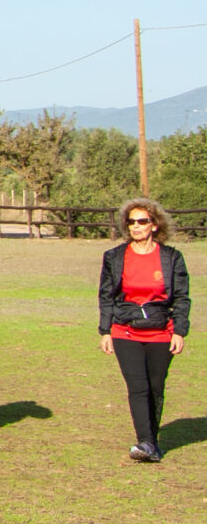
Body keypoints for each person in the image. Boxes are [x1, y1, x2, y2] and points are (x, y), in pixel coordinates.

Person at [99, 198, 189, 464]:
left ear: (154, 225)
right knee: (137, 386)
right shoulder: (114, 257)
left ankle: (152, 440)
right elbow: (106, 296)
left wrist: (179, 331)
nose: (135, 226)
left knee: (155, 387)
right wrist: (105, 331)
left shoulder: (172, 258)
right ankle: (145, 442)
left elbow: (182, 298)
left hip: (162, 331)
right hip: (125, 330)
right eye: (131, 222)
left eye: (142, 221)